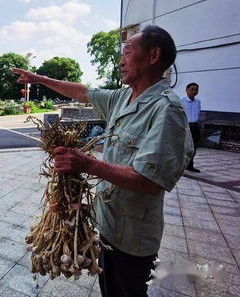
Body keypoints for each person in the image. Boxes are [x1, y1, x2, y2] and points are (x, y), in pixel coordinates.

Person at [13, 25, 193, 297]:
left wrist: (88, 164)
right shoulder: (123, 97)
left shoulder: (167, 109)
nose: (121, 61)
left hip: (133, 239)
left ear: (153, 55)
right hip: (108, 225)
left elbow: (150, 182)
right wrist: (39, 79)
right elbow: (83, 92)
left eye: (127, 53)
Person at [181, 83, 201, 172]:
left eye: (196, 90)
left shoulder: (198, 102)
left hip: (195, 126)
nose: (194, 91)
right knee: (183, 147)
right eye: (192, 89)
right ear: (186, 90)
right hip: (185, 126)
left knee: (193, 148)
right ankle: (180, 165)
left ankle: (190, 165)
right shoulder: (181, 101)